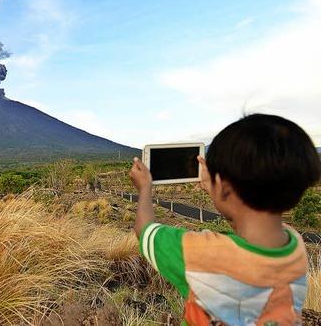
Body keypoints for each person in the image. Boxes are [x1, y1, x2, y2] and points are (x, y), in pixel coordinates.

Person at [130, 114, 321, 325]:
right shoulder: (296, 249)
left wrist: (145, 188)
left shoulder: (202, 252)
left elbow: (144, 230)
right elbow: (250, 221)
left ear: (222, 184)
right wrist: (218, 190)